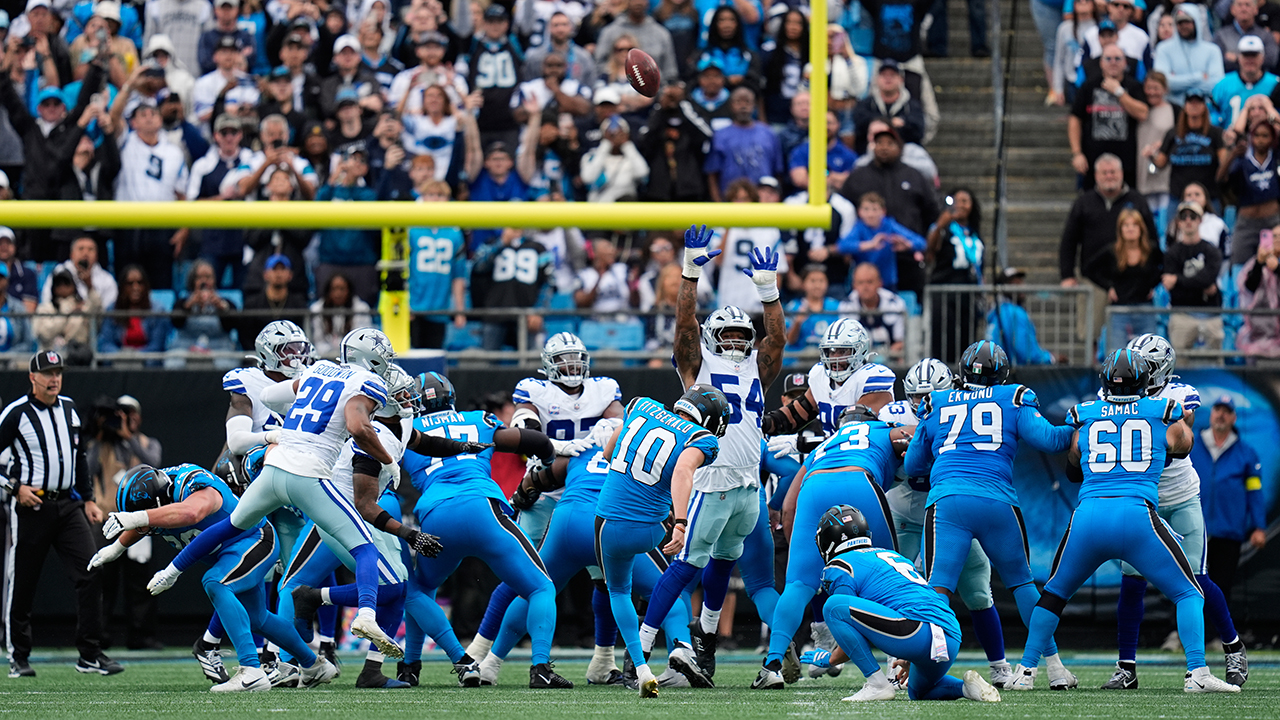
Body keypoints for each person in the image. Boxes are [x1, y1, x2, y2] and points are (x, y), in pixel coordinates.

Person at [147, 330, 482, 658]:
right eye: (384, 359)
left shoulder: (319, 370)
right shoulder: (368, 385)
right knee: (363, 549)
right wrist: (387, 458)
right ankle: (365, 616)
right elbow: (357, 427)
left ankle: (171, 572)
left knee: (234, 526)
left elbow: (269, 397)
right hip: (310, 475)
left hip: (273, 467)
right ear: (371, 361)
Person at [1010, 350, 1238, 694]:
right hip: (1136, 516)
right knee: (1189, 591)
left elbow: (1073, 465)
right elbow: (1184, 446)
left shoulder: (1085, 415)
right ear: (1146, 382)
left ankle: (1025, 671)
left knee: (1054, 595)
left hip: (1089, 517)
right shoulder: (1163, 412)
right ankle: (1197, 673)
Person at [635, 225, 784, 684]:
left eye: (745, 335)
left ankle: (689, 645)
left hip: (742, 484)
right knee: (692, 565)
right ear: (713, 337)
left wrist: (768, 291)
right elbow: (684, 325)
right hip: (714, 476)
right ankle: (653, 650)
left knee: (715, 562)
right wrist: (690, 274)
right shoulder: (699, 363)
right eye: (731, 335)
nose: (739, 342)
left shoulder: (758, 364)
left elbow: (775, 340)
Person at [903, 340, 1079, 689]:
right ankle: (1055, 667)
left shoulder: (936, 402)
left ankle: (927, 667)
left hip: (949, 499)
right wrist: (1080, 424)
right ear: (1003, 373)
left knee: (938, 589)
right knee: (1023, 584)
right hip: (997, 500)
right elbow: (1051, 440)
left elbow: (912, 465)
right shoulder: (1014, 397)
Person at [465, 334, 627, 685]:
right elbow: (525, 424)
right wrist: (555, 445)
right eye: (563, 360)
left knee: (604, 579)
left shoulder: (603, 389)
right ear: (548, 365)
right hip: (543, 488)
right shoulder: (534, 390)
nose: (571, 367)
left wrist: (605, 429)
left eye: (576, 359)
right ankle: (478, 651)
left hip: (587, 491)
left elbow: (619, 420)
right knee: (520, 570)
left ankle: (604, 660)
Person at [396, 372, 574, 690]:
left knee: (419, 591)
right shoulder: (479, 419)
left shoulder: (406, 430)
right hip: (482, 510)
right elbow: (532, 441)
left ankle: (411, 667)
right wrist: (548, 456)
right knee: (541, 587)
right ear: (451, 397)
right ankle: (541, 668)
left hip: (436, 516)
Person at [94, 463, 336, 692]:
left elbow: (190, 512)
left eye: (147, 516)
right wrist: (116, 548)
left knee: (215, 582)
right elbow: (148, 523)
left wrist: (143, 523)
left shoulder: (192, 484)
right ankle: (314, 665)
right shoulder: (159, 497)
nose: (145, 527)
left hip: (254, 539)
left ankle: (251, 670)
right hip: (233, 553)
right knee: (257, 619)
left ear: (159, 502)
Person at [1106, 335, 1249, 689]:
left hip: (1181, 496)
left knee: (1197, 579)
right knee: (1132, 580)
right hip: (1143, 500)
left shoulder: (1179, 394)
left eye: (1146, 366)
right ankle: (1126, 667)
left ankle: (1233, 647)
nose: (1137, 372)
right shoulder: (1118, 393)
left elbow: (1180, 446)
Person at [752, 406, 908, 690]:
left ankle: (771, 664)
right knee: (890, 571)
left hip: (814, 487)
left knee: (797, 584)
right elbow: (913, 436)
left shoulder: (824, 445)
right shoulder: (882, 429)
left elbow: (788, 504)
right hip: (860, 480)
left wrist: (800, 551)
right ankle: (897, 662)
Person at [879, 359, 1013, 687]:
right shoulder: (894, 416)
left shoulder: (959, 413)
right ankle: (894, 668)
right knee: (891, 593)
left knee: (978, 590)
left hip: (945, 517)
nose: (921, 402)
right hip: (901, 513)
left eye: (930, 394)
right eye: (916, 396)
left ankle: (999, 666)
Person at [594, 385, 728, 697]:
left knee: (617, 591)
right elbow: (683, 470)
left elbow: (609, 452)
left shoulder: (642, 403)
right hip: (651, 529)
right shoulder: (702, 438)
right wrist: (680, 523)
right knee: (670, 586)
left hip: (607, 524)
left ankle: (640, 666)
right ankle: (680, 645)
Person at [797, 505, 1002, 703]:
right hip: (949, 636)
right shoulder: (891, 555)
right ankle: (966, 688)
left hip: (914, 631)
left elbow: (848, 623)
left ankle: (877, 685)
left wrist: (830, 659)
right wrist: (910, 653)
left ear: (828, 540)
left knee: (832, 606)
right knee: (920, 691)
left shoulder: (840, 565)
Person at [0, 350, 120, 678]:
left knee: (90, 571)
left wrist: (89, 499)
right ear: (32, 377)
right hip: (31, 506)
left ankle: (90, 654)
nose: (54, 378)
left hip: (68, 505)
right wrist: (14, 488)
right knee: (22, 582)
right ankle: (19, 657)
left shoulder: (69, 408)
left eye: (58, 372)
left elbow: (78, 457)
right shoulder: (16, 413)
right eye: (48, 373)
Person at [84, 394, 162, 651]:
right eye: (121, 414)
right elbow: (86, 467)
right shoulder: (101, 444)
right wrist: (99, 433)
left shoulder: (147, 443)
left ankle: (142, 635)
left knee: (140, 582)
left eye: (131, 413)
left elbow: (153, 464)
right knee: (103, 580)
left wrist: (128, 436)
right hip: (106, 519)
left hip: (138, 520)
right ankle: (100, 633)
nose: (126, 419)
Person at [1060, 153, 1157, 341]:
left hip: (1130, 278)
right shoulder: (1083, 203)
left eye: (1112, 172)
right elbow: (1069, 240)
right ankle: (1094, 368)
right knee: (1091, 331)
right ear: (1096, 176)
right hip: (1093, 278)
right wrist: (1067, 274)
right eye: (1104, 173)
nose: (1109, 176)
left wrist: (1151, 280)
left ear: (1121, 173)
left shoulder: (1137, 201)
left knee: (1135, 337)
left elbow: (1151, 242)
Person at [1191, 395, 1268, 617]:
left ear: (1234, 418)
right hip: (1194, 530)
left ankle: (1217, 637)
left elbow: (1254, 492)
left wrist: (1259, 527)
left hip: (1229, 531)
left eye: (1227, 411)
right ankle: (1177, 633)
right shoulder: (1192, 446)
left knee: (1222, 585)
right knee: (1188, 584)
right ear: (1212, 413)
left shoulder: (1246, 453)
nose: (1221, 414)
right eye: (1218, 409)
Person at [840, 126, 939, 297]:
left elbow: (931, 212)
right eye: (879, 143)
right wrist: (861, 244)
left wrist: (910, 242)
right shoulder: (859, 175)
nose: (884, 147)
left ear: (899, 147)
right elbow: (844, 210)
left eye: (890, 143)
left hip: (906, 260)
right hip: (867, 260)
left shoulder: (914, 175)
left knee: (907, 306)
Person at [1071, 44, 1150, 188]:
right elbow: (1075, 119)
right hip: (1092, 161)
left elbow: (1143, 113)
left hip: (1126, 163)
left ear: (1125, 62)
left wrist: (1119, 92)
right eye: (1108, 59)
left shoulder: (1133, 86)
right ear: (1101, 63)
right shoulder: (1088, 87)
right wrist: (1077, 153)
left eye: (1117, 59)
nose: (1113, 62)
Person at [470, 227, 553, 350]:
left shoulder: (539, 248)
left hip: (527, 315)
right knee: (486, 363)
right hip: (494, 313)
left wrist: (539, 311)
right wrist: (502, 243)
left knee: (532, 363)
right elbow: (478, 267)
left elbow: (548, 283)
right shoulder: (491, 244)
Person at [926, 187, 983, 361]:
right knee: (944, 338)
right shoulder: (943, 229)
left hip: (969, 293)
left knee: (967, 339)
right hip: (944, 292)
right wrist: (939, 226)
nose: (960, 205)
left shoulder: (974, 232)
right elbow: (929, 252)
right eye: (956, 200)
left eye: (965, 201)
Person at [1163, 201, 1224, 350]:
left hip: (1210, 314)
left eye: (1193, 216)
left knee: (1214, 363)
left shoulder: (1211, 250)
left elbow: (1208, 278)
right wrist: (1200, 284)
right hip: (1182, 314)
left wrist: (1178, 279)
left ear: (1200, 220)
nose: (1188, 220)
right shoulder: (1172, 253)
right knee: (1180, 365)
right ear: (1178, 222)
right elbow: (1173, 289)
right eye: (1184, 217)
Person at [839, 191, 926, 293]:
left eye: (875, 209)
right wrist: (870, 245)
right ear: (859, 212)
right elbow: (842, 246)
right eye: (866, 209)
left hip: (887, 282)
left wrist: (908, 244)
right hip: (863, 282)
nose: (870, 214)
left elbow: (921, 243)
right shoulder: (859, 228)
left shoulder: (889, 225)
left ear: (883, 211)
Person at [704, 87, 782, 201]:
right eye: (738, 102)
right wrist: (718, 203)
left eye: (747, 102)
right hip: (731, 201)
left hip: (763, 201)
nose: (743, 106)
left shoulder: (768, 133)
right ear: (731, 105)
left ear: (754, 105)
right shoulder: (720, 135)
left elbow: (778, 171)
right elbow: (712, 174)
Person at [1222, 118, 1280, 263]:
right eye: (1257, 135)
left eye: (1265, 135)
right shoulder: (1242, 160)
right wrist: (1232, 155)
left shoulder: (1276, 158)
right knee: (1238, 260)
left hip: (1273, 221)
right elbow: (1221, 179)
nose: (1260, 140)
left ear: (1273, 138)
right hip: (1246, 223)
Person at [1155, 90, 1227, 206]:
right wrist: (1152, 154)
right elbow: (1161, 163)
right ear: (1185, 106)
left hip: (1209, 196)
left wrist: (1230, 148)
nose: (1194, 105)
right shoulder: (1173, 133)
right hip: (1178, 196)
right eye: (1190, 102)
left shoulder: (1215, 133)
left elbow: (1224, 163)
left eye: (1198, 102)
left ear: (1204, 106)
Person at [1107, 209, 1164, 351]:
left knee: (1149, 356)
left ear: (1141, 229)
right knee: (1118, 357)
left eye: (1134, 225)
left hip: (1145, 308)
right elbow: (1089, 269)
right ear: (1120, 230)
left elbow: (1166, 267)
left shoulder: (1152, 250)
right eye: (1126, 225)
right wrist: (1108, 286)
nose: (1130, 229)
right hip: (1119, 310)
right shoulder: (1112, 251)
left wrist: (1153, 285)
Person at [1152, 5, 1224, 105]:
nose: (1183, 26)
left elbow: (1217, 84)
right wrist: (1199, 77)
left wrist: (1178, 82)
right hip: (1173, 106)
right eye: (1180, 22)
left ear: (1196, 22)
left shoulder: (1212, 50)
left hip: (1205, 107)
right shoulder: (1163, 48)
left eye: (1187, 22)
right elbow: (1163, 82)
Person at [96, 264, 171, 359]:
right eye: (130, 283)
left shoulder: (158, 311)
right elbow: (106, 344)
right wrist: (122, 356)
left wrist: (136, 357)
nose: (135, 287)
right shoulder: (112, 310)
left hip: (147, 364)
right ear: (122, 287)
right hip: (119, 362)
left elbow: (157, 346)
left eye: (140, 283)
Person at [985, 267, 1057, 365]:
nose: (1021, 286)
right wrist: (1051, 358)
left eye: (1021, 282)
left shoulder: (997, 312)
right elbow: (1026, 352)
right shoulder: (1014, 313)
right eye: (1015, 284)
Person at [852, 60, 925, 155]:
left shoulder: (912, 105)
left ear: (901, 79)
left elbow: (918, 131)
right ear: (876, 79)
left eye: (892, 75)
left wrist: (879, 124)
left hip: (905, 155)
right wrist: (893, 123)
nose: (888, 79)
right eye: (884, 75)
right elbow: (860, 126)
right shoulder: (866, 104)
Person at [237, 254, 309, 349]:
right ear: (265, 274)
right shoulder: (252, 304)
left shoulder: (299, 303)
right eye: (274, 269)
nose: (278, 274)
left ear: (290, 275)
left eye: (283, 269)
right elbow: (245, 336)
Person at [33, 269, 101, 365]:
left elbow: (97, 312)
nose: (63, 287)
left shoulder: (82, 307)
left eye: (66, 283)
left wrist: (90, 287)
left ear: (73, 286)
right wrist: (67, 311)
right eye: (59, 284)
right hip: (50, 359)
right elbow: (45, 334)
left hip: (78, 359)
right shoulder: (45, 309)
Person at [1210, 36, 1278, 129]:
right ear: (1239, 58)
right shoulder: (1223, 84)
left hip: (1267, 140)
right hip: (1230, 139)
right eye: (1246, 55)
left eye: (1254, 55)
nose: (1250, 60)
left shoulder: (1276, 84)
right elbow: (1212, 113)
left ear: (1262, 58)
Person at [841, 263, 907, 355]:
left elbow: (900, 342)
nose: (865, 287)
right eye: (860, 282)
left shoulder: (895, 304)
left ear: (880, 283)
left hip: (890, 358)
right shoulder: (846, 306)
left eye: (870, 282)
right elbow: (846, 344)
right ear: (854, 285)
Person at [40, 236, 118, 311]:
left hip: (93, 322)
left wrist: (89, 286)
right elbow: (47, 300)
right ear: (72, 254)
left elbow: (108, 309)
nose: (85, 253)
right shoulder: (58, 272)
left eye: (90, 249)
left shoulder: (106, 279)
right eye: (81, 249)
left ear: (97, 256)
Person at [309, 272, 374, 358]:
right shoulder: (317, 309)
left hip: (354, 357)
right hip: (325, 357)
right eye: (334, 289)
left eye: (342, 289)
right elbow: (318, 341)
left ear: (349, 290)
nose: (338, 294)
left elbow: (362, 340)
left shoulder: (361, 309)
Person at [1236, 234, 1280, 355]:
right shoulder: (1256, 263)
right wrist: (1259, 263)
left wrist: (1277, 269)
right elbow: (1249, 288)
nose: (1277, 239)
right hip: (1260, 331)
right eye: (1274, 236)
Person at [784, 264, 841, 351]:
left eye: (821, 281)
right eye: (812, 281)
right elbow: (789, 341)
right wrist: (798, 322)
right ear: (803, 284)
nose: (817, 285)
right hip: (799, 358)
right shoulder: (793, 307)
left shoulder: (836, 306)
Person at [1214, 0, 1279, 72]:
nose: (1243, 9)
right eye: (1239, 5)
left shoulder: (1265, 36)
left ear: (1256, 9)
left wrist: (1236, 59)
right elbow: (1218, 61)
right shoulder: (1221, 35)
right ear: (1232, 9)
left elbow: (1271, 60)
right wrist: (1256, 60)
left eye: (1247, 5)